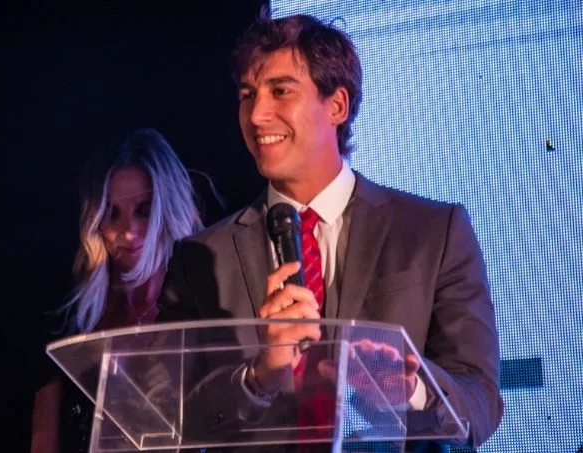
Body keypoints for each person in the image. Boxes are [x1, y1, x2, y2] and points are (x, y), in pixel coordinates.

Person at [156, 10, 503, 452]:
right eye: (247, 95)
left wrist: (411, 389)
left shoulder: (433, 232)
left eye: (280, 91)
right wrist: (257, 378)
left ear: (336, 105)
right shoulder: (200, 259)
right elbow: (163, 415)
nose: (257, 115)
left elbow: (480, 403)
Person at [30, 128, 205, 453]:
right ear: (95, 221)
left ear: (168, 209)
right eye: (112, 214)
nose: (128, 232)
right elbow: (43, 442)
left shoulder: (205, 308)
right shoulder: (72, 317)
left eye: (143, 210)